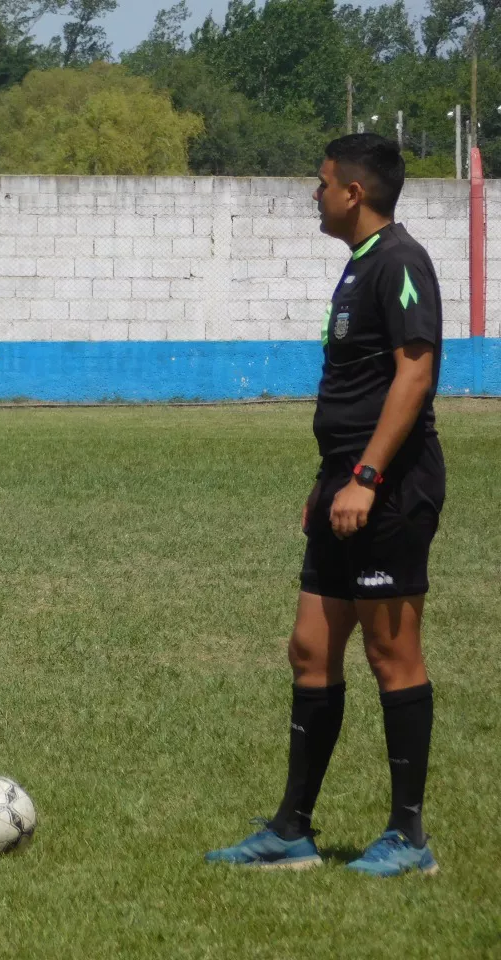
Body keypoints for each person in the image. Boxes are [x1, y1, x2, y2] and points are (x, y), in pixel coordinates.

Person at [207, 134, 445, 877]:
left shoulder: (401, 262)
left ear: (354, 193)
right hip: (341, 482)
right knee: (311, 650)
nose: (315, 194)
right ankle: (291, 830)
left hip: (389, 487)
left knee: (390, 653)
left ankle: (408, 837)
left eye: (321, 184)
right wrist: (332, 484)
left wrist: (368, 479)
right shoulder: (360, 266)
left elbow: (416, 373)